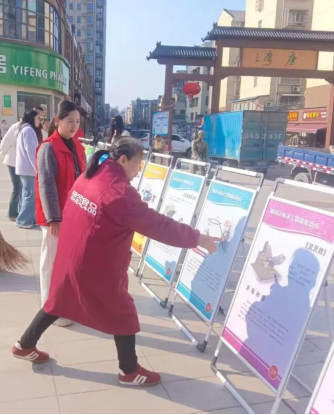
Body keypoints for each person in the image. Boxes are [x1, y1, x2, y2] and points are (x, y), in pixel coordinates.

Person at [12, 137, 220, 386]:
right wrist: (198, 238)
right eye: (137, 163)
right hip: (93, 263)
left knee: (59, 299)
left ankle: (24, 344)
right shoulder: (118, 192)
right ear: (122, 160)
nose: (139, 170)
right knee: (123, 312)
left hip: (72, 254)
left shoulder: (92, 174)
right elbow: (158, 225)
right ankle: (129, 371)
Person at [35, 100, 86, 327]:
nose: (74, 126)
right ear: (57, 121)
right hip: (54, 218)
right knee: (51, 262)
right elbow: (46, 184)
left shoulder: (76, 146)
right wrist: (53, 218)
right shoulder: (48, 147)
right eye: (69, 121)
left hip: (73, 215)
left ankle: (64, 303)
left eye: (77, 122)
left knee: (66, 262)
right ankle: (50, 307)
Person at [16, 110, 41, 229]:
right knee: (29, 196)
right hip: (28, 170)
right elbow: (32, 152)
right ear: (32, 118)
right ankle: (24, 220)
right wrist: (38, 169)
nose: (39, 121)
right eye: (38, 118)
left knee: (25, 194)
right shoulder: (29, 131)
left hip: (24, 169)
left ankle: (26, 218)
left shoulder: (23, 129)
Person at [0, 117, 22, 221]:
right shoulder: (16, 127)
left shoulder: (31, 128)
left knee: (22, 188)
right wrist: (2, 153)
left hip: (21, 163)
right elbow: (5, 142)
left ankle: (19, 211)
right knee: (17, 187)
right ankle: (12, 213)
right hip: (13, 161)